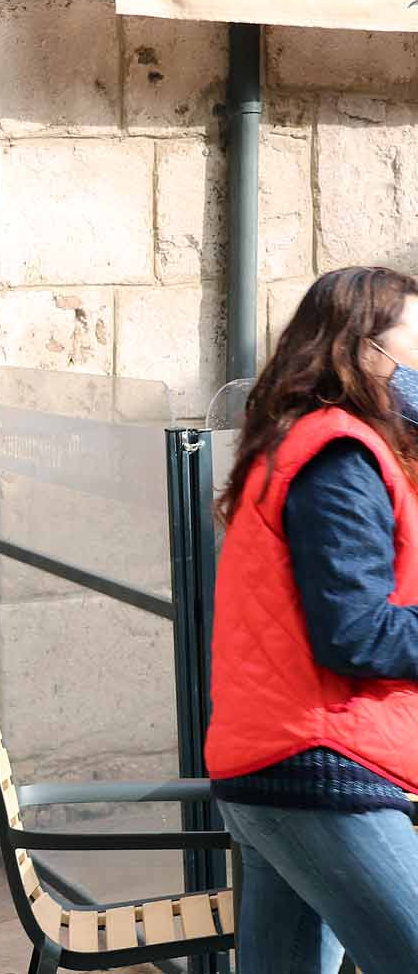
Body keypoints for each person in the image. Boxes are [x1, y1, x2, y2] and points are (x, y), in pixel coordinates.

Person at [208, 265, 418, 973]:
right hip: (320, 771)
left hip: (277, 769)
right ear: (366, 349)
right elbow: (354, 630)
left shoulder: (300, 444)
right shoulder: (338, 457)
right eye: (415, 338)